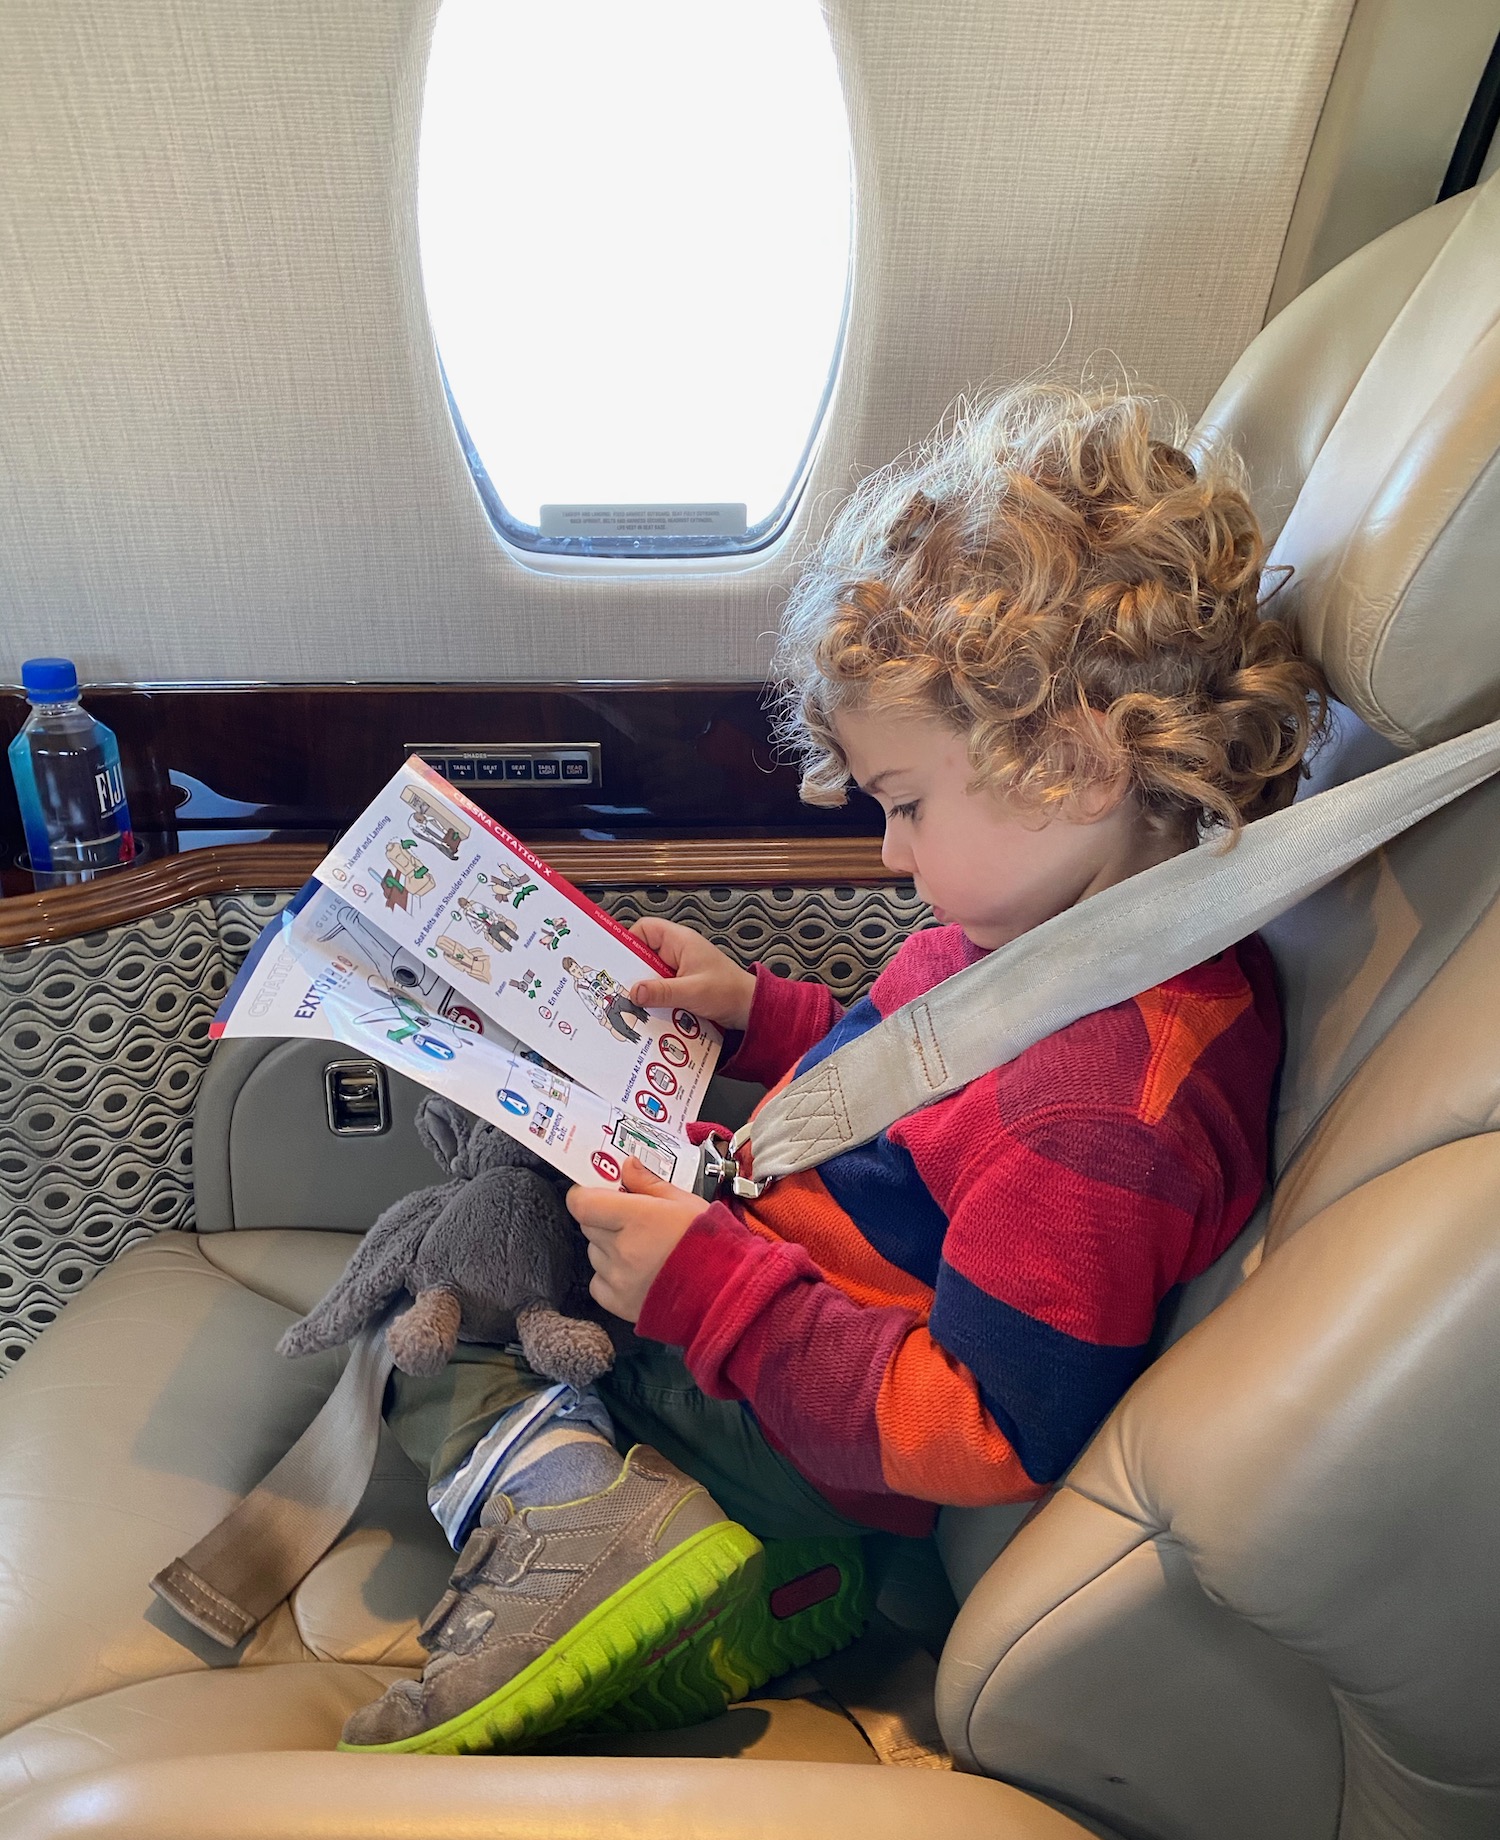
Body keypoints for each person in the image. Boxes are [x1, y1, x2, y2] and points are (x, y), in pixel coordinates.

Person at [339, 385, 1326, 1756]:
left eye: (908, 804)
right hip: (782, 1294)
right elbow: (915, 1080)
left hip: (812, 1440)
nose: (890, 856)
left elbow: (979, 1428)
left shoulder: (1105, 1110)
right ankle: (698, 1548)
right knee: (492, 1207)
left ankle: (608, 1523)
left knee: (432, 1330)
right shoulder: (1049, 941)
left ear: (1082, 763)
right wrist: (752, 1014)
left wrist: (709, 1291)